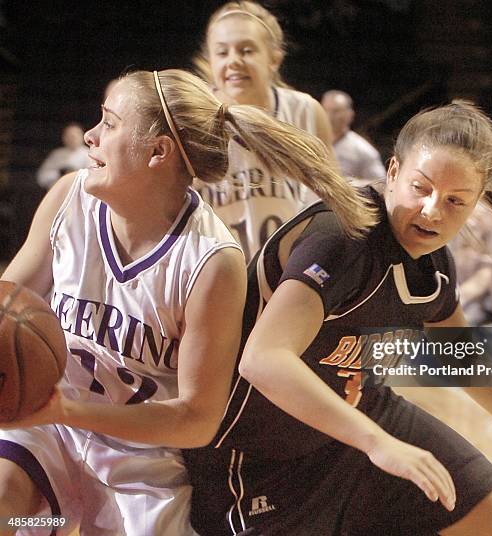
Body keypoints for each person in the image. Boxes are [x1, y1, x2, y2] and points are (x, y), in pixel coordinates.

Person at [185, 101, 492, 536]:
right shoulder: (343, 237)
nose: (432, 210)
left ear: (477, 202)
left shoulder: (434, 265)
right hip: (260, 452)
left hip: (361, 420)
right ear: (392, 172)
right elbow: (263, 359)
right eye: (421, 188)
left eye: (455, 201)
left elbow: (461, 356)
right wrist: (376, 442)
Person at [0, 68, 367, 535]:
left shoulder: (211, 262)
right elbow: (7, 307)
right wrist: (50, 409)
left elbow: (196, 420)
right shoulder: (68, 200)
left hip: (139, 454)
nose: (90, 135)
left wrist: (69, 410)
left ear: (158, 151)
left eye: (109, 124)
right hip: (46, 424)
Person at [191, 1, 336, 261]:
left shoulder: (306, 111)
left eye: (246, 50)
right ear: (210, 60)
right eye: (222, 53)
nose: (234, 61)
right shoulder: (193, 118)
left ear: (274, 59)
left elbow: (332, 200)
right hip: (216, 273)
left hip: (290, 272)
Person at [321, 89, 387, 186]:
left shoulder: (363, 149)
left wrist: (353, 184)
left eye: (336, 111)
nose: (329, 116)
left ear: (349, 114)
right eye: (325, 110)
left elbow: (382, 184)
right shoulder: (313, 140)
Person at [36, 123, 90, 190]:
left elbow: (91, 176)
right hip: (59, 189)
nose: (72, 139)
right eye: (69, 136)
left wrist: (74, 174)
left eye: (74, 136)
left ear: (82, 136)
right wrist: (60, 175)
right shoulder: (57, 154)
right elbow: (43, 176)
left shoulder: (89, 154)